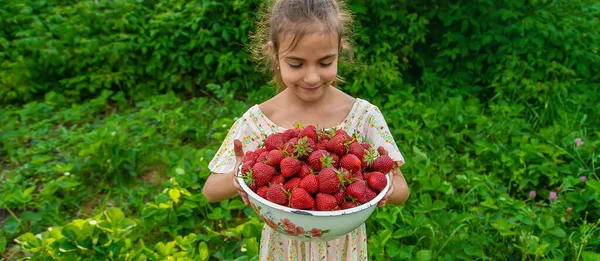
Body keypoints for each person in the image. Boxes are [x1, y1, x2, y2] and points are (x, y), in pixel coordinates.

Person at [202, 0, 409, 259]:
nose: (311, 77)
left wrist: (386, 185)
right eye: (296, 64)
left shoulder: (364, 117)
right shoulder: (258, 121)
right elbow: (210, 191)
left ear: (339, 50)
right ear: (274, 54)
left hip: (343, 250)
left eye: (324, 62)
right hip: (283, 249)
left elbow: (402, 191)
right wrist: (241, 174)